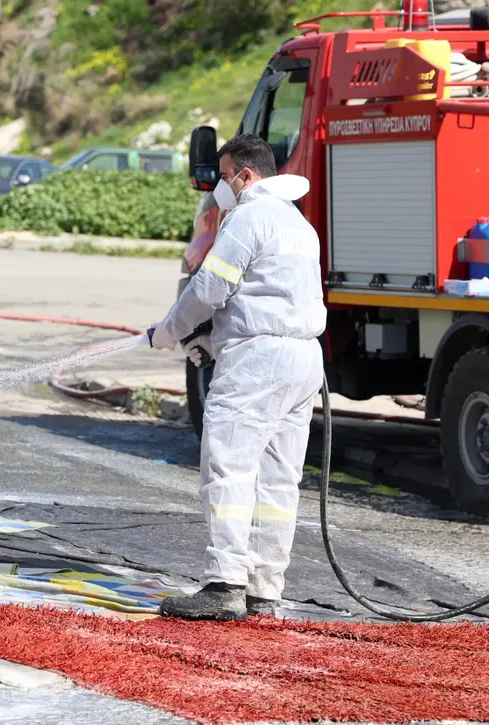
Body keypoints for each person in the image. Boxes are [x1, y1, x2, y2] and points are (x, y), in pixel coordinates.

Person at [148, 134, 327, 621]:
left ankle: (224, 583)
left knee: (228, 467)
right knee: (278, 481)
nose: (221, 188)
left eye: (225, 177)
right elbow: (267, 299)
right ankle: (265, 591)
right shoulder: (298, 224)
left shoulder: (249, 216)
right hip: (302, 358)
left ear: (246, 175)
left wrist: (169, 331)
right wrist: (213, 340)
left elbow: (210, 287)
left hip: (258, 364)